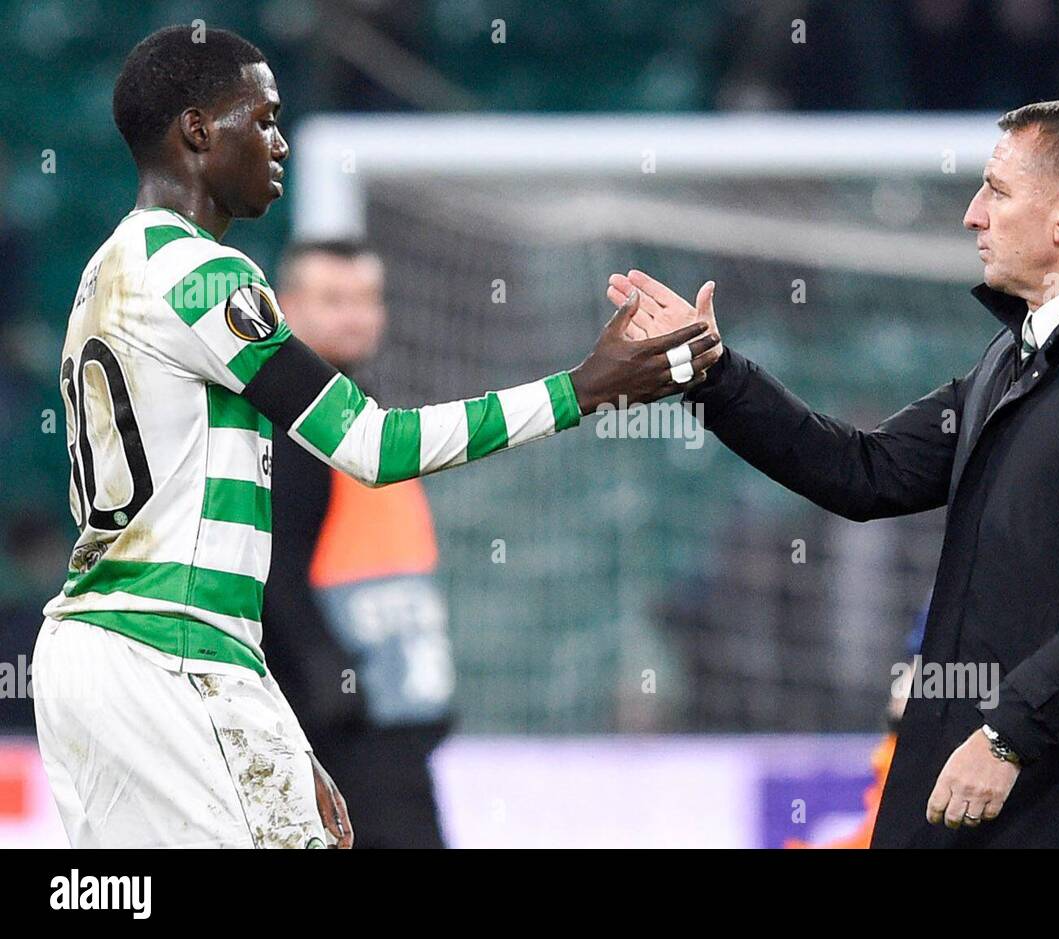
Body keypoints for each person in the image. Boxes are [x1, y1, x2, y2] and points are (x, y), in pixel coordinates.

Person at [32, 25, 719, 849]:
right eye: (265, 117)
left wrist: (275, 731)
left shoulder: (102, 273)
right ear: (198, 130)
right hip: (168, 651)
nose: (281, 142)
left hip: (97, 653)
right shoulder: (204, 272)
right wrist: (584, 388)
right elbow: (373, 444)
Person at [611, 98, 1059, 847]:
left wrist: (1008, 733)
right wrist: (711, 372)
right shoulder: (1014, 362)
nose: (974, 214)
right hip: (984, 790)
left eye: (997, 191)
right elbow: (862, 471)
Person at [261, 240, 455, 848]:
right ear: (286, 308)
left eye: (367, 299)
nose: (355, 315)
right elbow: (272, 569)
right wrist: (328, 682)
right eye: (333, 300)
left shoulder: (367, 420)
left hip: (394, 715)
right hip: (340, 730)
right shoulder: (290, 432)